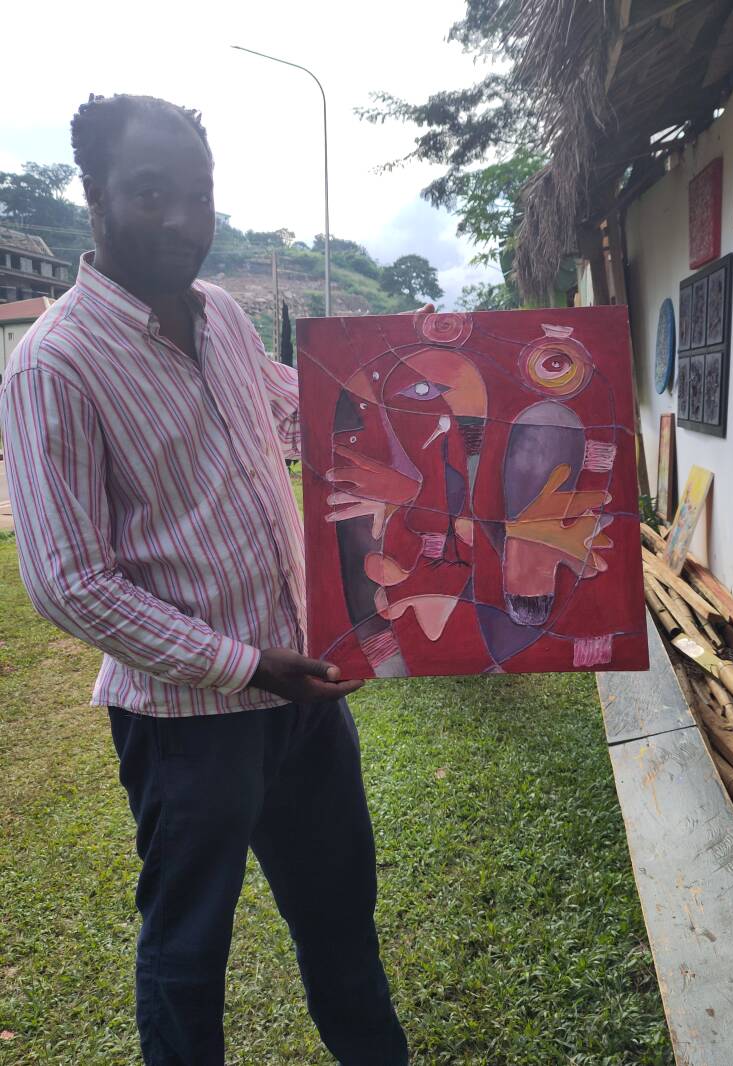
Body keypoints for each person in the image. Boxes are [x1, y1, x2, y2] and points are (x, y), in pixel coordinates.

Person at [0, 93, 411, 1066]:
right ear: (95, 195)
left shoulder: (221, 312)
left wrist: (422, 391)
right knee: (188, 955)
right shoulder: (53, 365)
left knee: (342, 919)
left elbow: (295, 412)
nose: (184, 219)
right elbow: (68, 581)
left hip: (304, 698)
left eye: (199, 192)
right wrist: (246, 665)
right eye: (152, 193)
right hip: (186, 726)